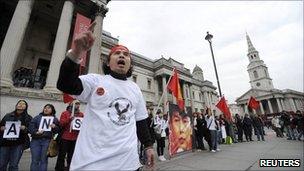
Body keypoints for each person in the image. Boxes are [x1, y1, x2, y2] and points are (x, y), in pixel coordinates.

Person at [56, 22, 154, 170]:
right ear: (108, 62)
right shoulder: (95, 80)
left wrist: (148, 146)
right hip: (92, 164)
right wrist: (76, 52)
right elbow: (66, 84)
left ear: (129, 64)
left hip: (129, 164)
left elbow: (141, 121)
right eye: (117, 53)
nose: (122, 55)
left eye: (126, 54)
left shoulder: (135, 88)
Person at [0, 100, 32, 171]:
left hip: (18, 144)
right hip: (5, 143)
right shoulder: (8, 115)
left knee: (13, 165)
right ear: (16, 105)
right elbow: (1, 125)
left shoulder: (28, 118)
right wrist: (2, 128)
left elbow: (31, 130)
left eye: (23, 104)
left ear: (26, 107)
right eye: (19, 103)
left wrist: (25, 128)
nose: (21, 105)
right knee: (2, 164)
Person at [28, 104, 60, 171]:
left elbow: (58, 131)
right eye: (45, 108)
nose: (46, 109)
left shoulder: (55, 119)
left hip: (47, 141)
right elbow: (30, 127)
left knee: (44, 160)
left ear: (52, 110)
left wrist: (55, 127)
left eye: (48, 108)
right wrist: (36, 132)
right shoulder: (37, 117)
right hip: (36, 140)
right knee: (35, 160)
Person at [55, 100, 84, 171]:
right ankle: (59, 168)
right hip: (65, 137)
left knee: (71, 155)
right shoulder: (65, 113)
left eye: (78, 104)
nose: (77, 105)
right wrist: (69, 119)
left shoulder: (81, 114)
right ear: (71, 104)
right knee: (62, 154)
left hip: (75, 137)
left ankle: (70, 167)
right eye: (76, 103)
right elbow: (61, 123)